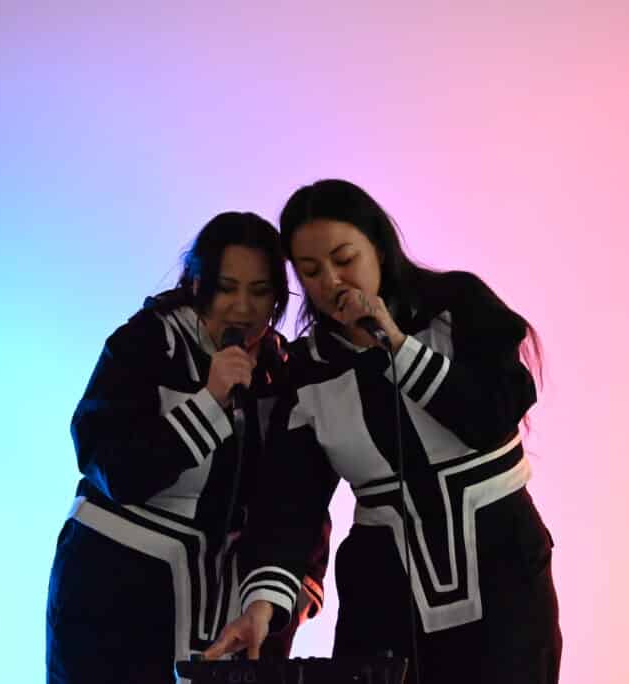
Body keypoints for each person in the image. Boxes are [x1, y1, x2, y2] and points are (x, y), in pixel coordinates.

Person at [206, 180, 562, 683]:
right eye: (310, 272)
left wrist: (397, 345)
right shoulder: (308, 370)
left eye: (343, 258)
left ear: (377, 243)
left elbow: (493, 414)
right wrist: (262, 604)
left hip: (504, 575)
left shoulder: (457, 307)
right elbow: (289, 505)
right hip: (383, 599)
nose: (331, 281)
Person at [45, 212, 330, 684]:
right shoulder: (146, 342)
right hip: (113, 600)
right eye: (226, 287)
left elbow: (298, 501)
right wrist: (209, 401)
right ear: (197, 285)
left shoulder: (285, 374)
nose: (242, 307)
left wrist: (279, 599)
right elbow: (110, 465)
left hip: (226, 612)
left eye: (260, 292)